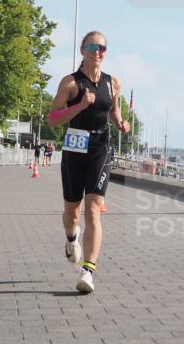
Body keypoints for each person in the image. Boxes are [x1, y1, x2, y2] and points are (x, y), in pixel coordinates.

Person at [46, 31, 129, 294]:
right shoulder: (70, 83)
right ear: (82, 50)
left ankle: (88, 271)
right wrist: (79, 106)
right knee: (72, 213)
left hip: (101, 148)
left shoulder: (112, 83)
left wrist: (120, 123)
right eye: (93, 46)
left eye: (103, 47)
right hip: (74, 147)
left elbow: (114, 111)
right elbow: (53, 119)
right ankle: (72, 239)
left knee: (94, 208)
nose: (98, 51)